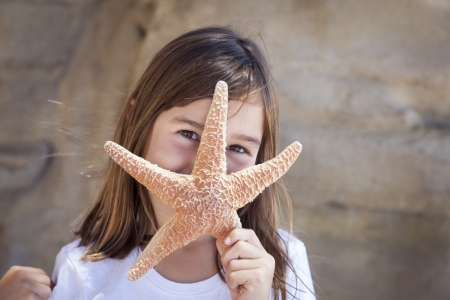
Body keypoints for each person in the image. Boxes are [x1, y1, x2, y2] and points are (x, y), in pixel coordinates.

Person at [47, 26, 314, 299]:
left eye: (237, 147)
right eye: (189, 134)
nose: (212, 165)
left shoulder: (281, 267)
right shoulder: (84, 273)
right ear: (136, 120)